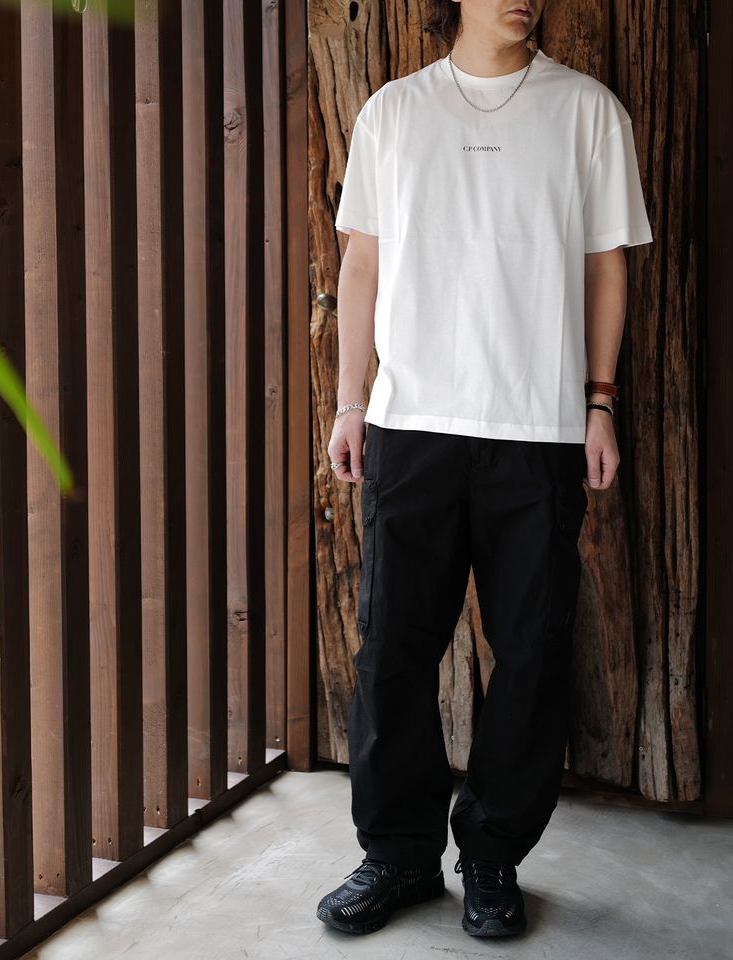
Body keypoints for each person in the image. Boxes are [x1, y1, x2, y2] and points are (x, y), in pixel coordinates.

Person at [317, 0, 653, 940]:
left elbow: (607, 266)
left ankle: (494, 855)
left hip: (536, 427)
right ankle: (398, 855)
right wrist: (351, 403)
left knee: (534, 652)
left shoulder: (588, 111)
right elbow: (361, 265)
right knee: (392, 649)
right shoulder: (394, 111)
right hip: (411, 424)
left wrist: (599, 402)